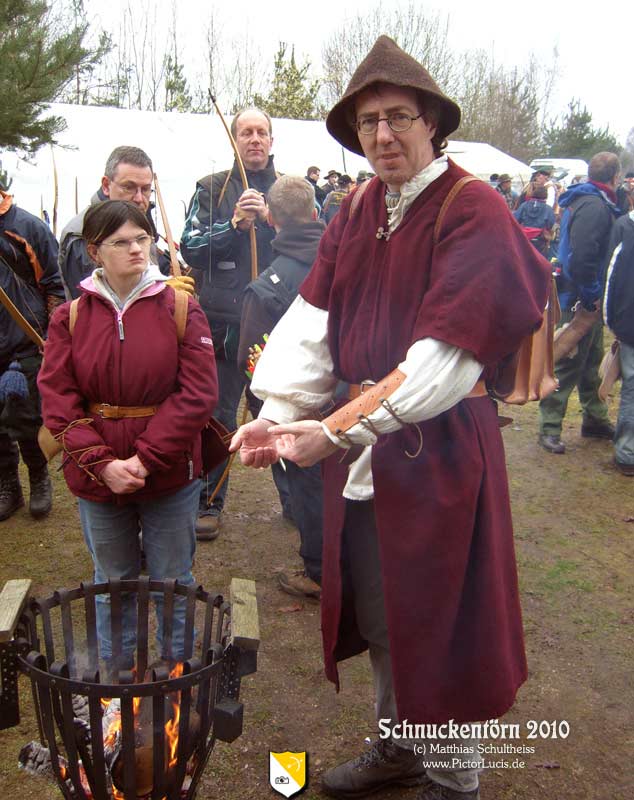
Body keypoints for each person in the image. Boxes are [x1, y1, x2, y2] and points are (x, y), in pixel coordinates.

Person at [231, 35, 551, 800]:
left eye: (399, 116)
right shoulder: (360, 206)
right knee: (382, 610)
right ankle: (400, 745)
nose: (382, 134)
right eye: (369, 120)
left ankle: (454, 777)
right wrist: (278, 414)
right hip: (366, 451)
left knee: (445, 623)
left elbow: (447, 357)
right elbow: (315, 312)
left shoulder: (475, 209)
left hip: (443, 452)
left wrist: (335, 430)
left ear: (432, 123)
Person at [38, 200, 217, 672]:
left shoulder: (181, 308)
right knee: (111, 582)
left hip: (169, 476)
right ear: (95, 251)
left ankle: (174, 676)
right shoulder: (71, 317)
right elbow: (58, 400)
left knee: (172, 582)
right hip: (97, 481)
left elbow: (198, 395)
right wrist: (101, 465)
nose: (137, 249)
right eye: (122, 242)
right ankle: (117, 681)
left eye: (143, 239)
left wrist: (143, 460)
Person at [180, 107, 279, 540]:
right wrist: (235, 225)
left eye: (262, 132)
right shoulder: (211, 188)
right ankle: (209, 500)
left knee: (281, 415)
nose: (254, 139)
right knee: (218, 418)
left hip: (276, 330)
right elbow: (190, 247)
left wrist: (272, 222)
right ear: (235, 139)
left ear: (271, 141)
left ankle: (301, 506)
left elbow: (315, 246)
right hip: (222, 329)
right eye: (246, 132)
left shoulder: (292, 190)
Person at [238, 176, 325, 600]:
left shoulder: (266, 288)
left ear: (270, 219)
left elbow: (251, 361)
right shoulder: (344, 257)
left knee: (309, 486)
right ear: (315, 213)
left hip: (302, 410)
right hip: (353, 402)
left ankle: (320, 571)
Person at [538, 152, 621, 454]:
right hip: (582, 297)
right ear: (614, 177)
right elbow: (583, 256)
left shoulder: (589, 200)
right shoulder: (595, 205)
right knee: (568, 359)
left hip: (587, 294)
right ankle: (549, 425)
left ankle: (594, 419)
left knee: (591, 360)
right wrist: (591, 294)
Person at [0, 188, 65, 520]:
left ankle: (39, 480)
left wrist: (49, 337)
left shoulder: (27, 227)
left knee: (24, 419)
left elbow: (55, 282)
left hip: (24, 343)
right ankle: (8, 486)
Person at [58, 146, 172, 300]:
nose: (139, 198)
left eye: (145, 189)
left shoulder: (137, 223)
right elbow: (96, 303)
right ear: (106, 185)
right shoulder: (85, 234)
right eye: (129, 187)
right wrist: (165, 294)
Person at [603, 205, 634, 474]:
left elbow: (611, 277)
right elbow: (611, 276)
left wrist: (611, 319)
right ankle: (626, 453)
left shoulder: (624, 226)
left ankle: (626, 452)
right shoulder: (625, 227)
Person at [513, 185, 556, 255]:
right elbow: (551, 224)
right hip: (540, 239)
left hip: (524, 238)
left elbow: (515, 220)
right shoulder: (548, 208)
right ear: (546, 196)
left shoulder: (524, 205)